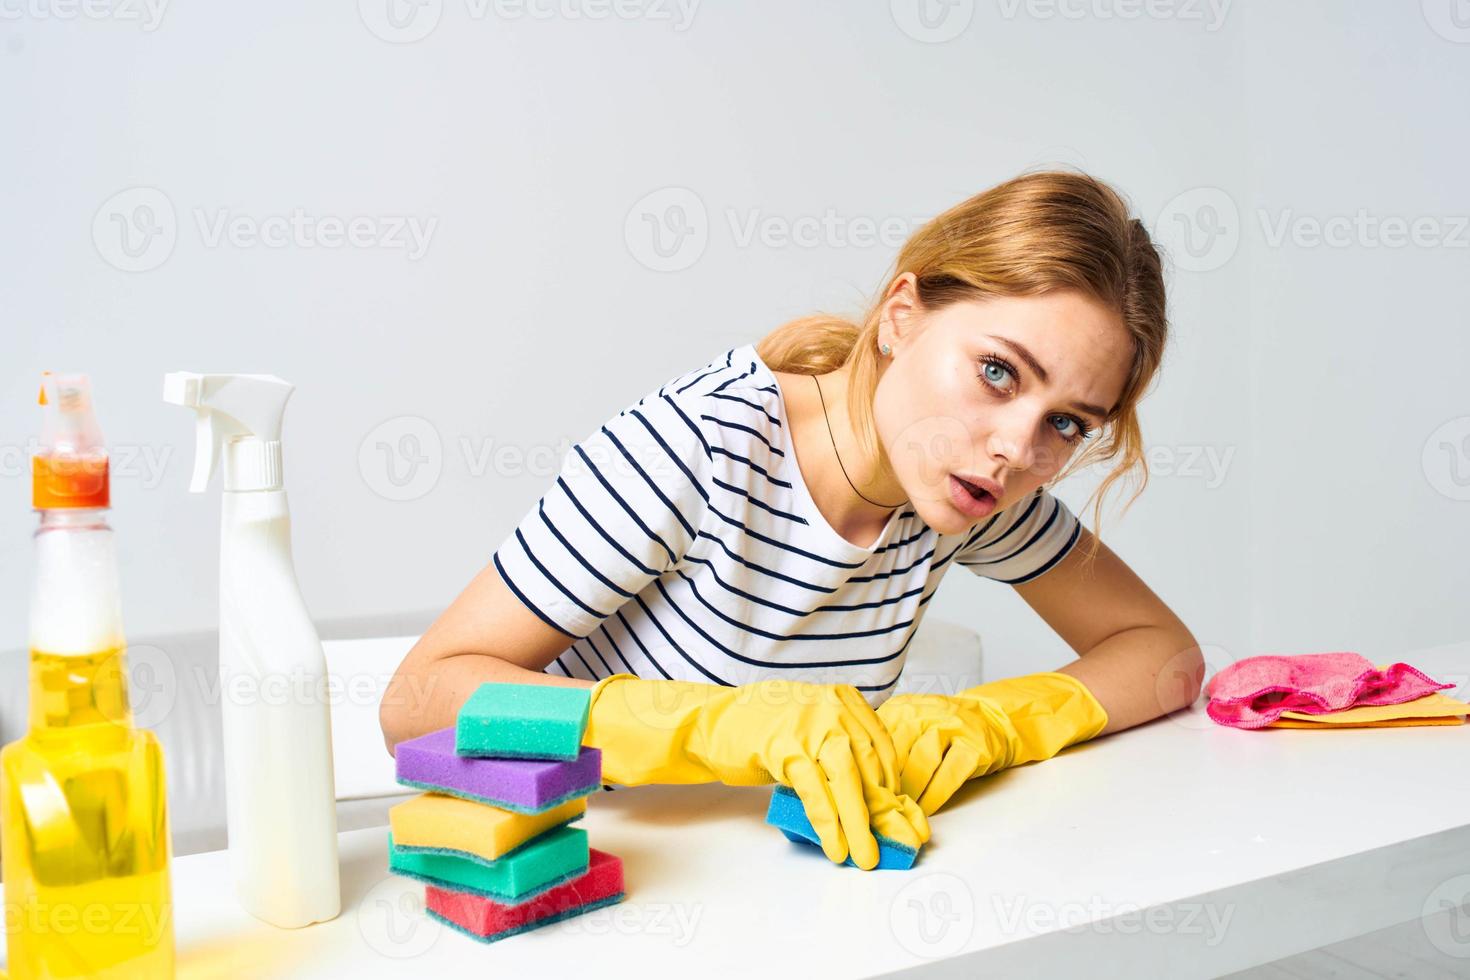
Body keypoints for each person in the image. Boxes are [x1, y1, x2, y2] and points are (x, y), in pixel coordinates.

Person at [381, 169, 1203, 871]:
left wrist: (990, 721)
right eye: (997, 371)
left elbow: (1162, 653)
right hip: (594, 877)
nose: (1016, 448)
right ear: (902, 313)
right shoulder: (698, 450)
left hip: (786, 892)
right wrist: (716, 722)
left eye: (1067, 423)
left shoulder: (966, 496)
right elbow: (418, 699)